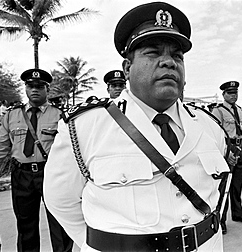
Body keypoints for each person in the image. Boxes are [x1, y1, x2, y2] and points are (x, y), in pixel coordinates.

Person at [43, 2, 230, 251]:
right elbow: (60, 201)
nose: (169, 63)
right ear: (127, 69)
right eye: (153, 53)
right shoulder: (85, 126)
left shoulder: (209, 126)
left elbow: (214, 192)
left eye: (177, 56)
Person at [0, 68, 73, 251]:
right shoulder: (12, 115)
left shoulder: (60, 115)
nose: (34, 89)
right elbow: (0, 146)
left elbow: (72, 147)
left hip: (52, 174)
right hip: (22, 175)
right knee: (26, 225)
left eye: (39, 86)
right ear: (25, 89)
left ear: (47, 89)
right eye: (30, 86)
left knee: (59, 223)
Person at [212, 81, 242, 234]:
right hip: (227, 149)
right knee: (224, 188)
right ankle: (221, 219)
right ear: (223, 94)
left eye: (235, 93)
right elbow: (215, 135)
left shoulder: (240, 111)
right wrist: (226, 153)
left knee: (237, 186)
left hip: (240, 150)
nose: (233, 96)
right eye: (230, 93)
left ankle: (238, 213)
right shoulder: (218, 111)